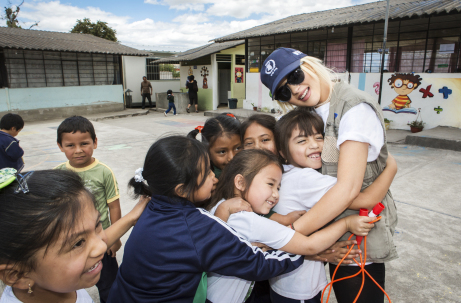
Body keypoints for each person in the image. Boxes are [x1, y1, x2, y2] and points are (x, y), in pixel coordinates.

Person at [260, 47, 398, 303]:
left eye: (295, 75)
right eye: (284, 91)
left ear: (309, 63)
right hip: (332, 239)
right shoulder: (312, 113)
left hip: (359, 245)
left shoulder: (353, 108)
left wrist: (288, 236)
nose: (295, 89)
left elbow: (347, 191)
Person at [106, 136, 305, 303]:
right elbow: (258, 264)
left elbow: (204, 245)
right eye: (207, 173)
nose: (214, 178)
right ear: (182, 190)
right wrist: (301, 252)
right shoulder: (195, 225)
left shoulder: (152, 207)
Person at [203, 149, 375, 303]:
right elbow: (309, 245)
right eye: (270, 184)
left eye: (278, 187)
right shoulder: (248, 220)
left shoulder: (221, 205)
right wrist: (346, 224)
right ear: (240, 183)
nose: (276, 194)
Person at [0, 168, 150, 303]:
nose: (101, 247)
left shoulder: (55, 281)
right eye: (78, 243)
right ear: (17, 275)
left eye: (97, 225)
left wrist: (132, 217)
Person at [55, 116, 121, 303]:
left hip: (101, 239)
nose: (78, 150)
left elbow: (113, 206)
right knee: (71, 281)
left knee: (108, 282)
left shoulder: (103, 171)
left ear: (95, 142)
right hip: (72, 242)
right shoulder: (58, 173)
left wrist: (114, 239)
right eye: (70, 145)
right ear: (60, 146)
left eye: (84, 143)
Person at [188, 114, 242, 178]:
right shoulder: (209, 180)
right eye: (222, 152)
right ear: (207, 151)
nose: (232, 157)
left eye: (237, 148)